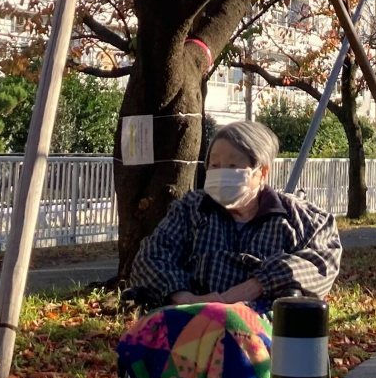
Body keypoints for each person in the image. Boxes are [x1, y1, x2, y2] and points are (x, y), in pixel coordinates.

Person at [123, 119, 342, 308]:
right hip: (190, 327)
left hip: (267, 335)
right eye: (214, 164)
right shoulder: (190, 210)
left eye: (232, 165)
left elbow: (322, 263)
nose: (221, 173)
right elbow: (150, 258)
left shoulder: (302, 219)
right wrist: (187, 299)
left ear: (262, 173)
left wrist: (256, 285)